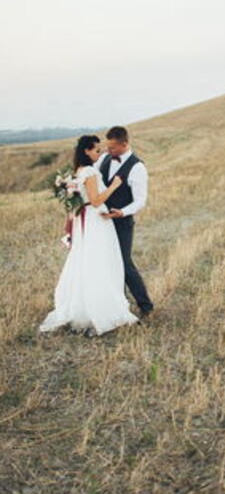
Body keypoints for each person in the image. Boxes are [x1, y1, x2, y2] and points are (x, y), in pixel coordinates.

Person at [39, 135, 139, 336]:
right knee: (101, 262)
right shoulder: (91, 171)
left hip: (82, 220)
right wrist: (114, 186)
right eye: (96, 150)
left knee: (86, 261)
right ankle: (101, 310)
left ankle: (81, 308)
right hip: (95, 221)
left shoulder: (78, 171)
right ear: (86, 151)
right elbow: (95, 200)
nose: (99, 153)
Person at [96, 126, 154, 317]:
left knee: (123, 262)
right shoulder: (104, 158)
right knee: (106, 262)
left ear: (124, 144)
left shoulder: (137, 167)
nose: (108, 151)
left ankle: (145, 305)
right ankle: (117, 303)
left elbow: (140, 200)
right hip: (101, 222)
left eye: (112, 148)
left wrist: (122, 212)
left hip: (122, 223)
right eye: (107, 147)